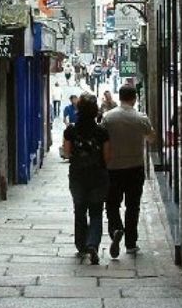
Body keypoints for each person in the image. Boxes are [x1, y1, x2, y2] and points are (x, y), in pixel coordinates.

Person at [101, 84, 154, 258]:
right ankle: (131, 243)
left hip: (113, 168)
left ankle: (116, 228)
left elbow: (102, 140)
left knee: (112, 204)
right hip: (135, 168)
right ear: (134, 98)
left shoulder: (108, 117)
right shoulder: (140, 118)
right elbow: (152, 138)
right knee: (133, 206)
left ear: (121, 97)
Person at [62, 92, 111, 265]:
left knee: (80, 210)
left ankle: (81, 245)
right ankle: (93, 244)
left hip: (77, 176)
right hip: (98, 176)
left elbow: (66, 153)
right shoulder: (102, 131)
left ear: (78, 109)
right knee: (96, 212)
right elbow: (107, 158)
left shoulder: (71, 130)